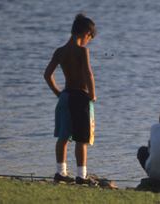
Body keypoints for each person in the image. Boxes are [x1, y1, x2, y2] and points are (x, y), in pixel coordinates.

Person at [44, 13, 96, 184]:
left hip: (65, 97)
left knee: (63, 137)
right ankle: (81, 176)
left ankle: (61, 173)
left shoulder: (60, 51)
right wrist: (93, 94)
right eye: (90, 37)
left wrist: (58, 93)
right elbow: (88, 73)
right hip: (80, 97)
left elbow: (47, 75)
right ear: (86, 34)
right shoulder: (82, 51)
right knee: (82, 139)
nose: (89, 40)